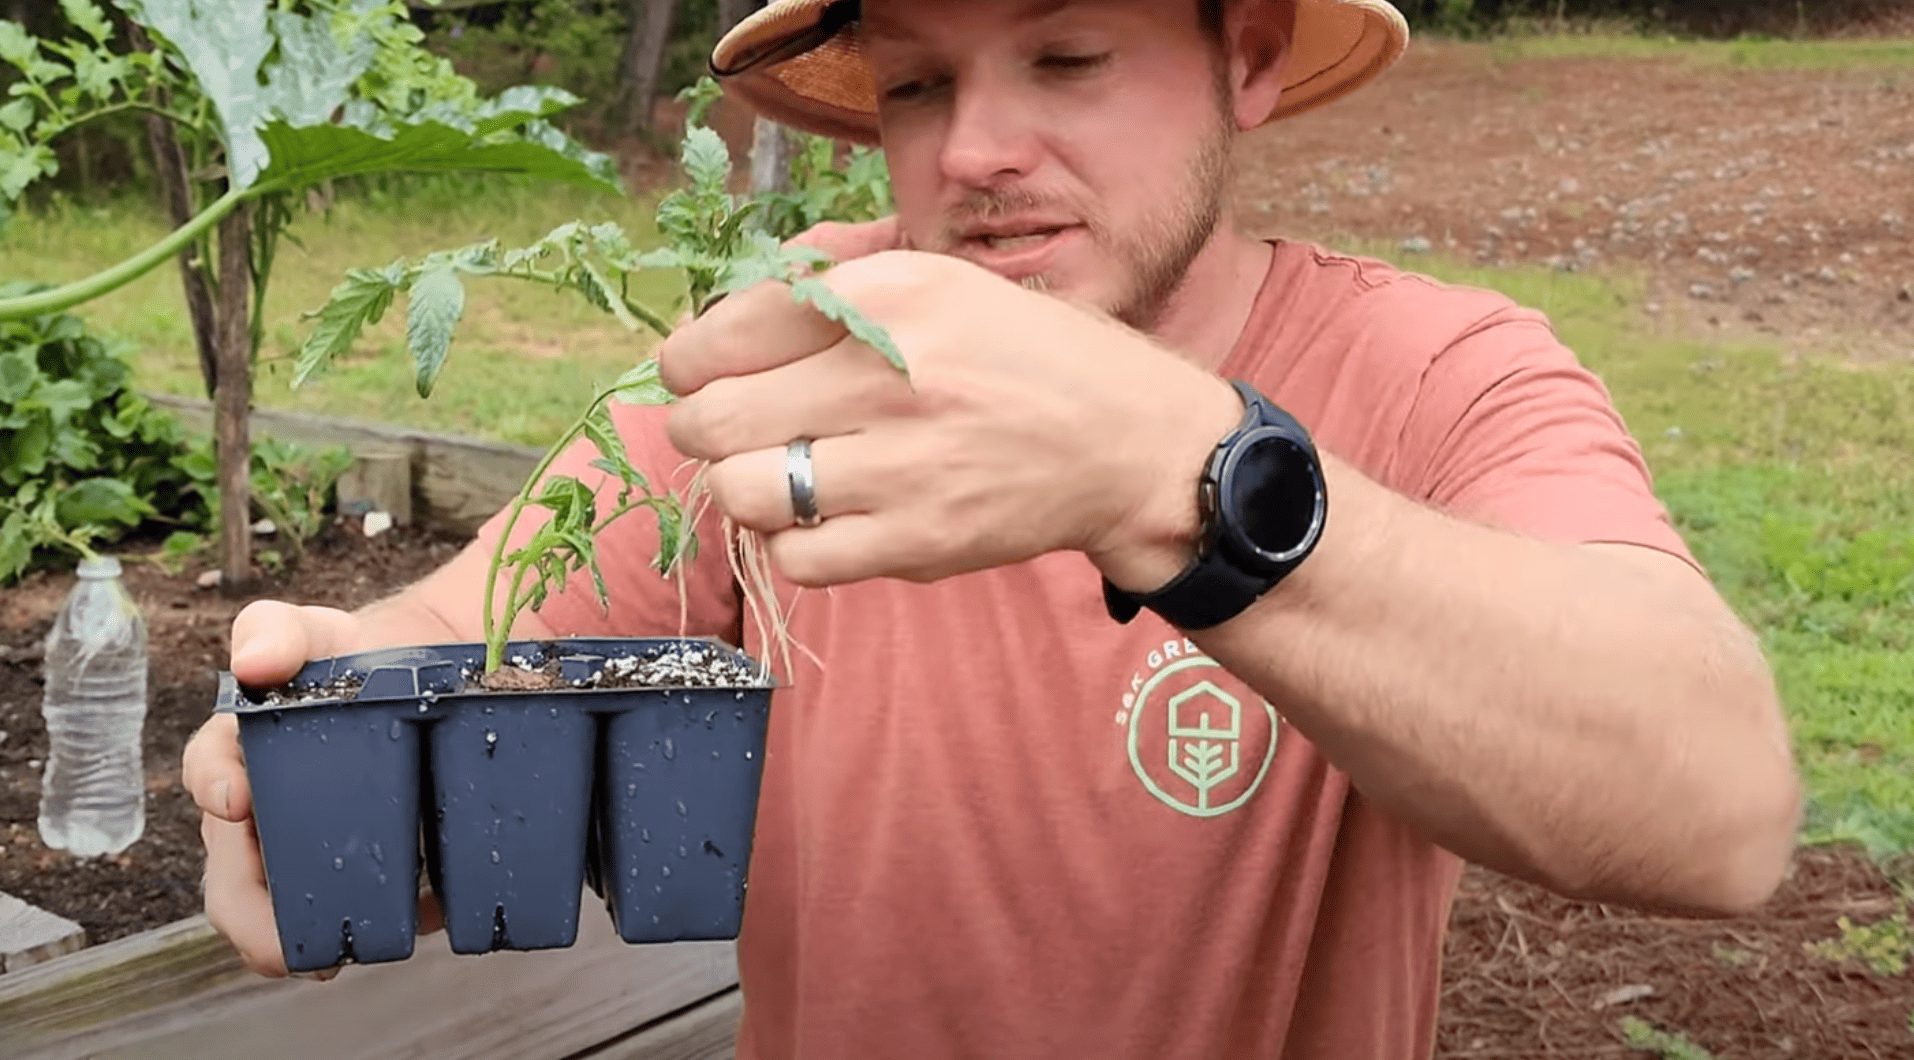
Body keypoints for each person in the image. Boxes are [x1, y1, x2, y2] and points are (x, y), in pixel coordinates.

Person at [184, 0, 1804, 1056]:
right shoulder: (775, 350)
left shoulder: (1430, 371)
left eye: (1070, 56)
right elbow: (471, 639)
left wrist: (1179, 480)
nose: (970, 151)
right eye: (915, 83)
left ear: (1245, 55)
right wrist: (323, 734)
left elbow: (1716, 812)